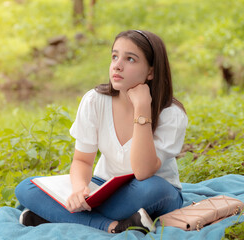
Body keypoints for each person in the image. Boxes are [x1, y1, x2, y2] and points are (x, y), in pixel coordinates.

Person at [15, 29, 188, 234]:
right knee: (26, 188)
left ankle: (51, 216)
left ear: (151, 71)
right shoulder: (95, 100)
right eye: (115, 56)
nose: (117, 65)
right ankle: (112, 226)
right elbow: (82, 161)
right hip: (103, 187)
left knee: (152, 188)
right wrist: (80, 189)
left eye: (130, 59)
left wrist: (142, 108)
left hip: (150, 190)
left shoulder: (171, 113)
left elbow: (143, 172)